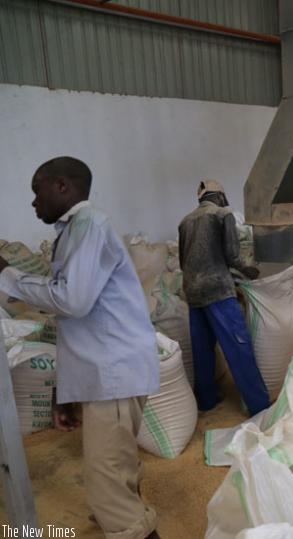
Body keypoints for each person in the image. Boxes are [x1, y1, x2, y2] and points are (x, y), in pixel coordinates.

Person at [0, 156, 160, 539]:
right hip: (107, 372)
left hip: (114, 372)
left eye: (36, 191)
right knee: (116, 471)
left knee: (106, 480)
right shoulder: (75, 231)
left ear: (61, 186)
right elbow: (78, 322)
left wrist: (8, 276)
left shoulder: (89, 225)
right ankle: (122, 521)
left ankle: (131, 529)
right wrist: (65, 391)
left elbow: (72, 301)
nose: (33, 203)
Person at [177, 179, 269, 416]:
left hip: (193, 292)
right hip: (218, 290)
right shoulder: (222, 214)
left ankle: (206, 401)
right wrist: (250, 270)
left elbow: (182, 262)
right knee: (239, 347)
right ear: (219, 196)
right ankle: (259, 405)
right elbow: (232, 255)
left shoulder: (185, 222)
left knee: (202, 350)